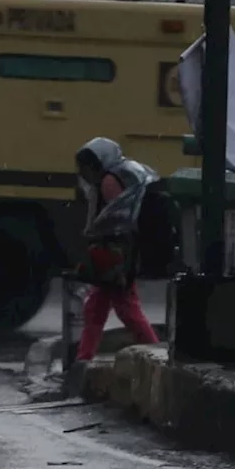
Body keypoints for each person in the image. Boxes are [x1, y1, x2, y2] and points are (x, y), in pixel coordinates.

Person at [73, 137, 161, 362]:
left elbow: (113, 223)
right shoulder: (128, 172)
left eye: (87, 167)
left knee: (122, 309)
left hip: (114, 256)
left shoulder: (109, 181)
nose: (83, 173)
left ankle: (156, 352)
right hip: (123, 254)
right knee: (102, 308)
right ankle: (84, 359)